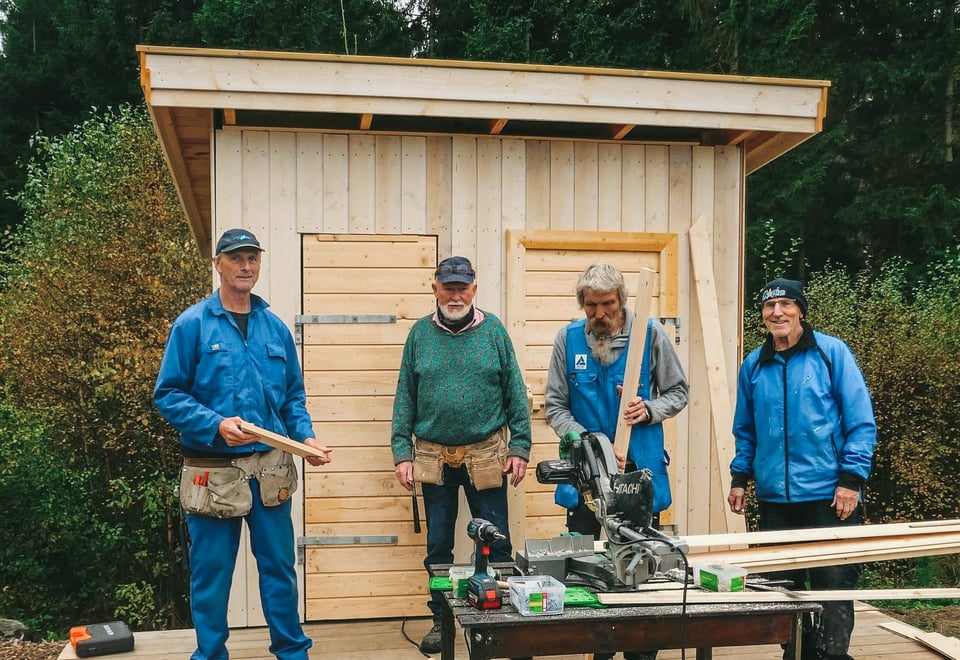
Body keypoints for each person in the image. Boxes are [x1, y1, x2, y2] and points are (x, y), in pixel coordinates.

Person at [154, 228, 332, 660]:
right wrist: (216, 425)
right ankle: (210, 655)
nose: (245, 266)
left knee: (279, 570)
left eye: (252, 257)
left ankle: (292, 652)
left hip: (270, 468)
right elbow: (168, 395)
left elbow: (292, 396)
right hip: (212, 471)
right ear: (218, 264)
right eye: (235, 258)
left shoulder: (274, 327)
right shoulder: (193, 324)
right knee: (211, 574)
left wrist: (305, 436)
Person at [544, 262, 689, 660]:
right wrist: (581, 437)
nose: (600, 314)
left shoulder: (649, 334)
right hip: (587, 477)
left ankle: (640, 651)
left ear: (622, 300)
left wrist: (649, 409)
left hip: (637, 475)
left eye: (607, 304)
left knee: (640, 571)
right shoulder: (568, 340)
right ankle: (598, 649)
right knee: (589, 572)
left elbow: (678, 392)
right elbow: (555, 406)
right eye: (591, 306)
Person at [727, 278, 876, 660]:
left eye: (786, 304)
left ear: (800, 310)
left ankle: (835, 655)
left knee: (833, 588)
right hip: (776, 499)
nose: (777, 312)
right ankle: (796, 654)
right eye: (769, 305)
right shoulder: (754, 365)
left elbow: (861, 421)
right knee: (782, 591)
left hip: (830, 496)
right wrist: (740, 478)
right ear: (762, 315)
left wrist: (851, 480)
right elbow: (746, 430)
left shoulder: (831, 353)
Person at [391, 256, 532, 654]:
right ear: (434, 288)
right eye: (447, 287)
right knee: (438, 547)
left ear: (474, 289)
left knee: (496, 542)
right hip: (433, 457)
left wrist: (520, 446)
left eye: (462, 287)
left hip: (486, 455)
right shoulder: (419, 334)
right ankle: (441, 619)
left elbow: (515, 394)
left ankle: (500, 620)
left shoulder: (495, 333)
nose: (455, 295)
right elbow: (405, 397)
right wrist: (403, 452)